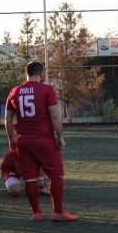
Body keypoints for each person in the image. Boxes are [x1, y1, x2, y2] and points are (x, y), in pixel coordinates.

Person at [5, 61, 77, 222]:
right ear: (41, 73)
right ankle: (58, 212)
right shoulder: (46, 89)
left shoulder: (14, 91)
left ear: (26, 73)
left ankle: (36, 213)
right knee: (56, 174)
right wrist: (60, 136)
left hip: (23, 140)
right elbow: (55, 115)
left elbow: (8, 119)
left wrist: (11, 138)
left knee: (30, 178)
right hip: (44, 139)